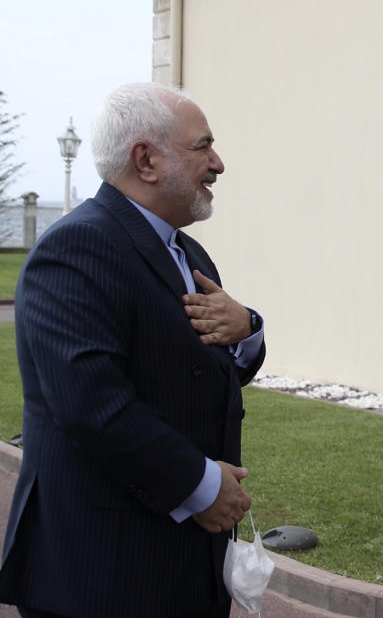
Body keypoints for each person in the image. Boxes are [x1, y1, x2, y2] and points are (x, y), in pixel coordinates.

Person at [0, 82, 266, 617]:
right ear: (145, 159)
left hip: (181, 562)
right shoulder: (76, 248)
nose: (218, 164)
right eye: (203, 147)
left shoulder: (187, 252)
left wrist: (248, 328)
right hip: (102, 571)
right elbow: (93, 405)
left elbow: (198, 370)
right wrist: (202, 484)